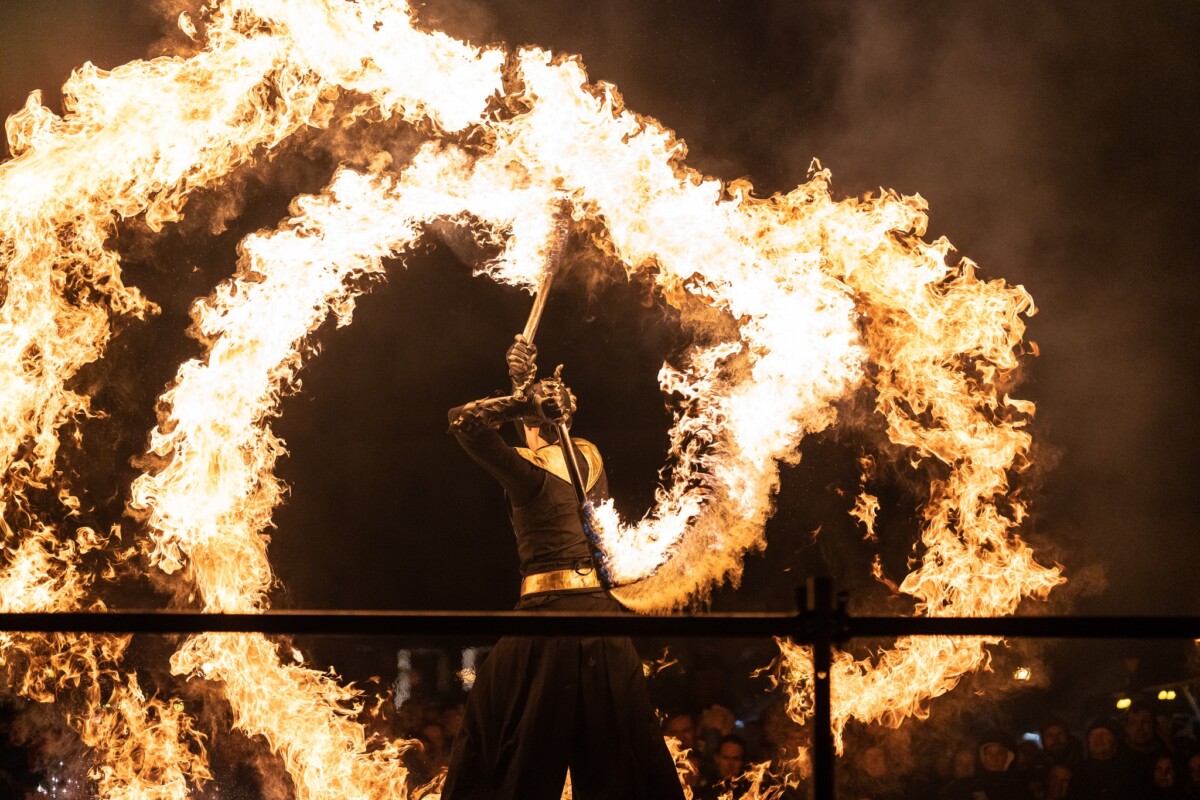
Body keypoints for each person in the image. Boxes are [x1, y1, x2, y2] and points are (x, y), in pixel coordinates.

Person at [440, 336, 684, 800]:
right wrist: (526, 389)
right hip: (602, 623)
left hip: (547, 624)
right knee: (623, 757)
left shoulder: (527, 474)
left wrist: (514, 400)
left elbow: (462, 422)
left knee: (499, 731)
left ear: (530, 425)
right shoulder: (589, 456)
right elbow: (543, 439)